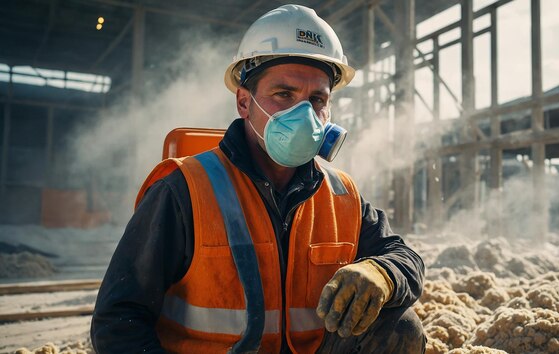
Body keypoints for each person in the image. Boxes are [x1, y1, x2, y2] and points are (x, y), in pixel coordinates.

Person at [91, 4, 426, 354]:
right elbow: (118, 320)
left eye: (317, 99)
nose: (304, 113)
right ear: (243, 103)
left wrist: (382, 273)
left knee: (400, 328)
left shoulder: (338, 193)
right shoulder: (183, 190)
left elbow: (405, 257)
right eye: (284, 95)